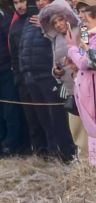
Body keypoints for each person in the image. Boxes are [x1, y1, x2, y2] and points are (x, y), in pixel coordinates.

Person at [69, 0, 96, 164]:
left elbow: (89, 61)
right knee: (89, 131)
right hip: (83, 89)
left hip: (91, 90)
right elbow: (82, 54)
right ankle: (90, 165)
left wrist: (72, 49)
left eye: (84, 12)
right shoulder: (85, 31)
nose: (81, 16)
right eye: (79, 11)